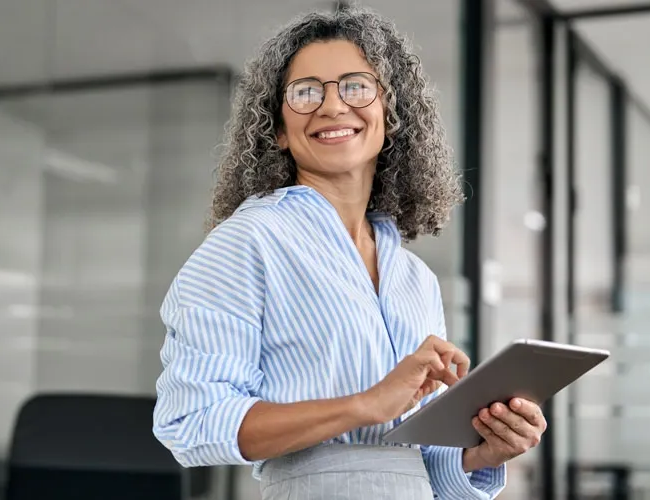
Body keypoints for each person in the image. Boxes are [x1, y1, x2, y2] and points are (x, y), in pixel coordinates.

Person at [151, 9, 545, 499]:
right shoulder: (249, 242)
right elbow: (192, 421)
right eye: (306, 92)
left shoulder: (413, 278)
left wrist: (484, 450)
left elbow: (417, 462)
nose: (333, 106)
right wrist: (366, 404)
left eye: (356, 86)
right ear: (275, 128)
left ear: (391, 114)